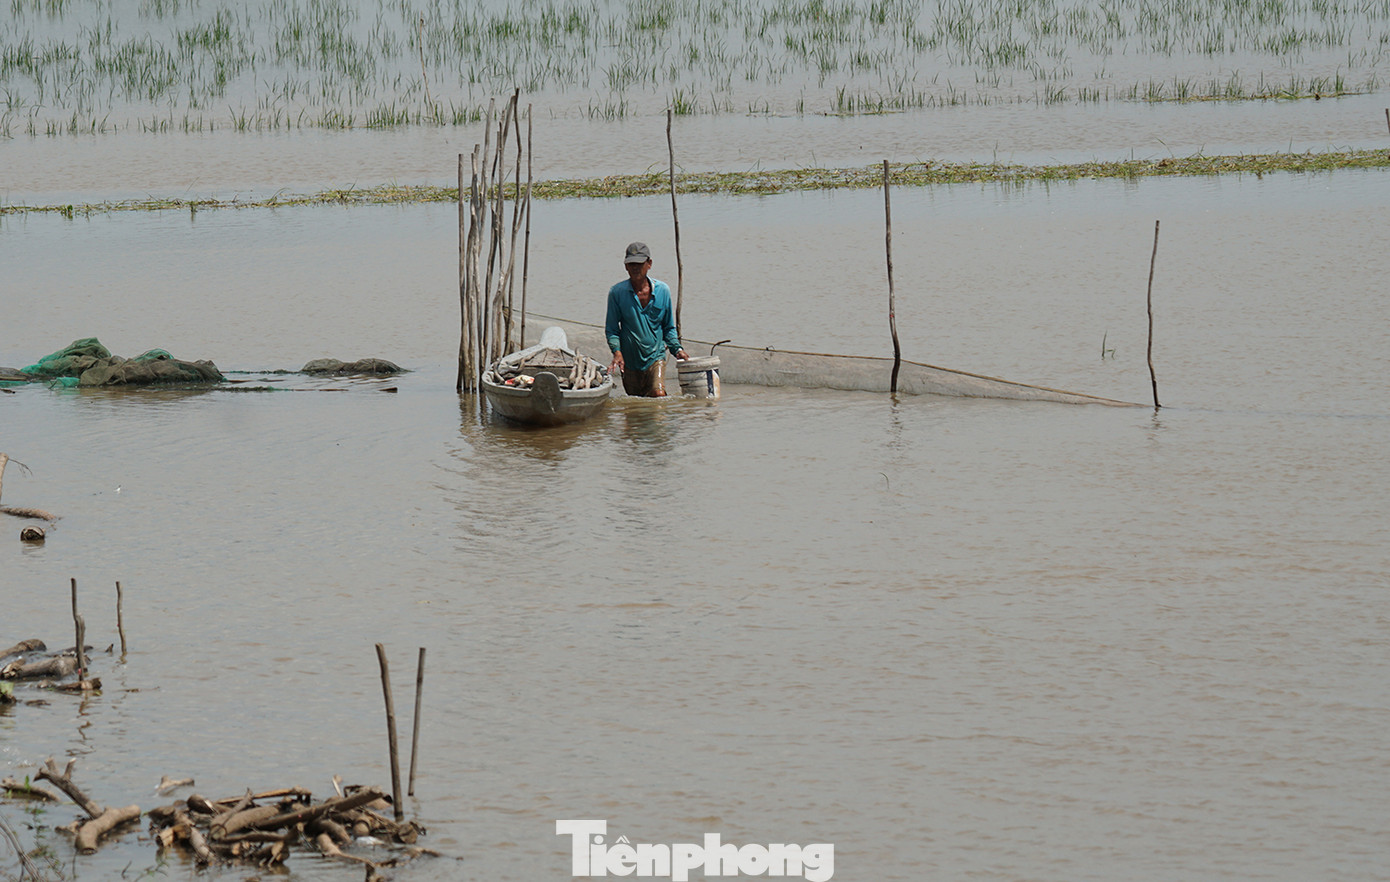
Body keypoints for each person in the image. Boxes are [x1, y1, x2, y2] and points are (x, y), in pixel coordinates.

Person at [605, 242, 688, 397]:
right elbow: (612, 330)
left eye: (639, 264)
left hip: (655, 357)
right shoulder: (617, 293)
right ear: (626, 267)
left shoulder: (662, 291)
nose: (635, 268)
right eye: (631, 264)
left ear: (649, 264)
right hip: (629, 362)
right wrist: (617, 352)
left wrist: (677, 349)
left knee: (658, 394)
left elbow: (668, 328)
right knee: (635, 409)